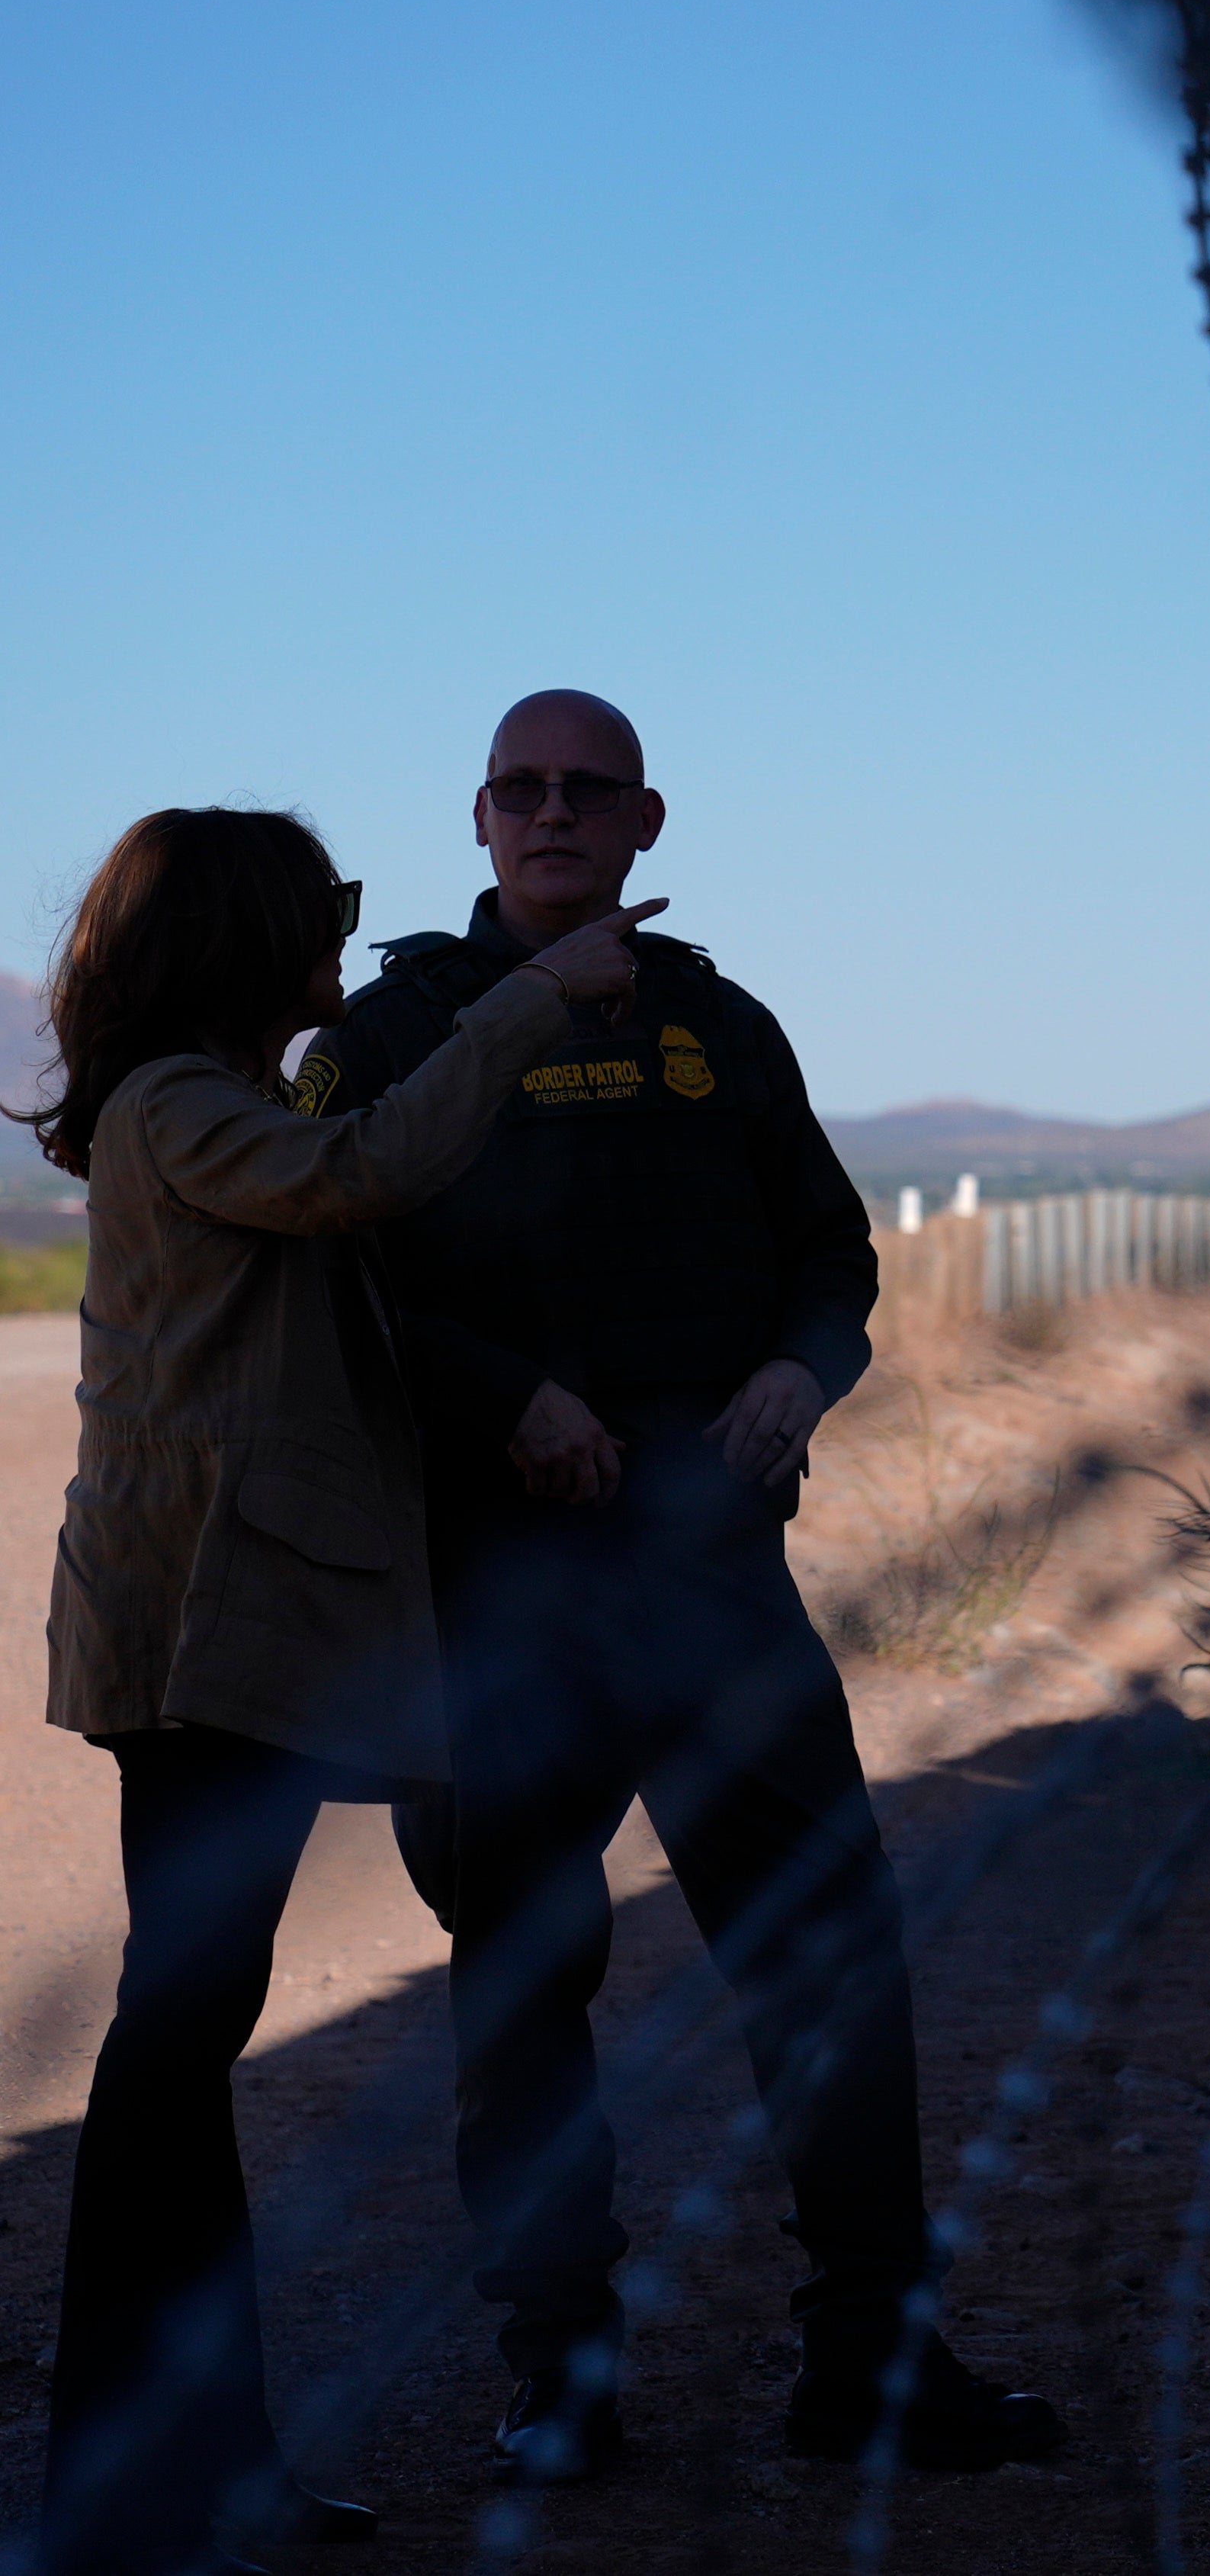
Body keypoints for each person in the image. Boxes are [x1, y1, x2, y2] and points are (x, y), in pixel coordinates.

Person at [292, 689, 1060, 2482]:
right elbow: (335, 1285)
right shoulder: (389, 1030)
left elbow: (832, 1253)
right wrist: (507, 1398)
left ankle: (871, 2359)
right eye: (522, 790)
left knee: (830, 1965)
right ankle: (559, 2378)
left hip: (714, 1581)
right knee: (522, 1995)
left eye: (590, 793)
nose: (554, 815)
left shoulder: (719, 1021)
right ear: (478, 821)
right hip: (499, 1595)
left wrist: (807, 1369)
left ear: (647, 824)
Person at [14, 807, 650, 2574]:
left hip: (239, 1641)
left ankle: (191, 2471)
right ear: (246, 937)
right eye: (326, 916)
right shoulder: (176, 1108)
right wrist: (528, 1004)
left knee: (183, 2044)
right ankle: (124, 2482)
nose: (347, 943)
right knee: (173, 2047)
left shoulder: (208, 1100)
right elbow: (362, 1175)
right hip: (205, 1640)